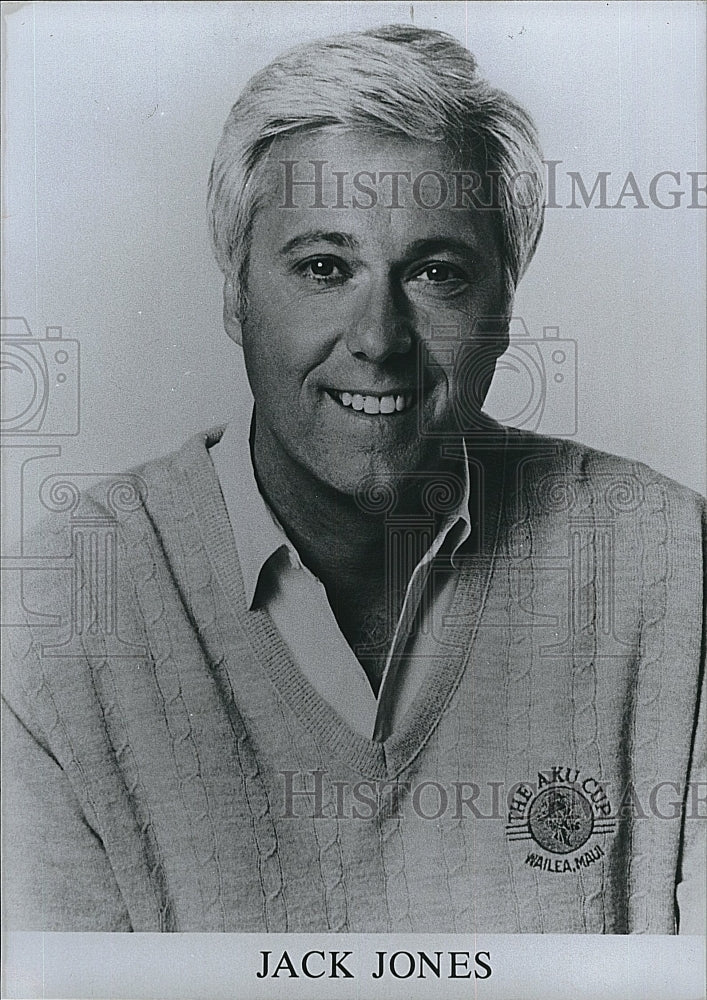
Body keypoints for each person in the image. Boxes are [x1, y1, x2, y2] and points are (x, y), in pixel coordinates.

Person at [2, 24, 704, 934]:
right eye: (324, 267)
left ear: (503, 306)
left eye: (437, 272)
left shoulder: (669, 564)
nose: (379, 338)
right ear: (235, 294)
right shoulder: (52, 611)